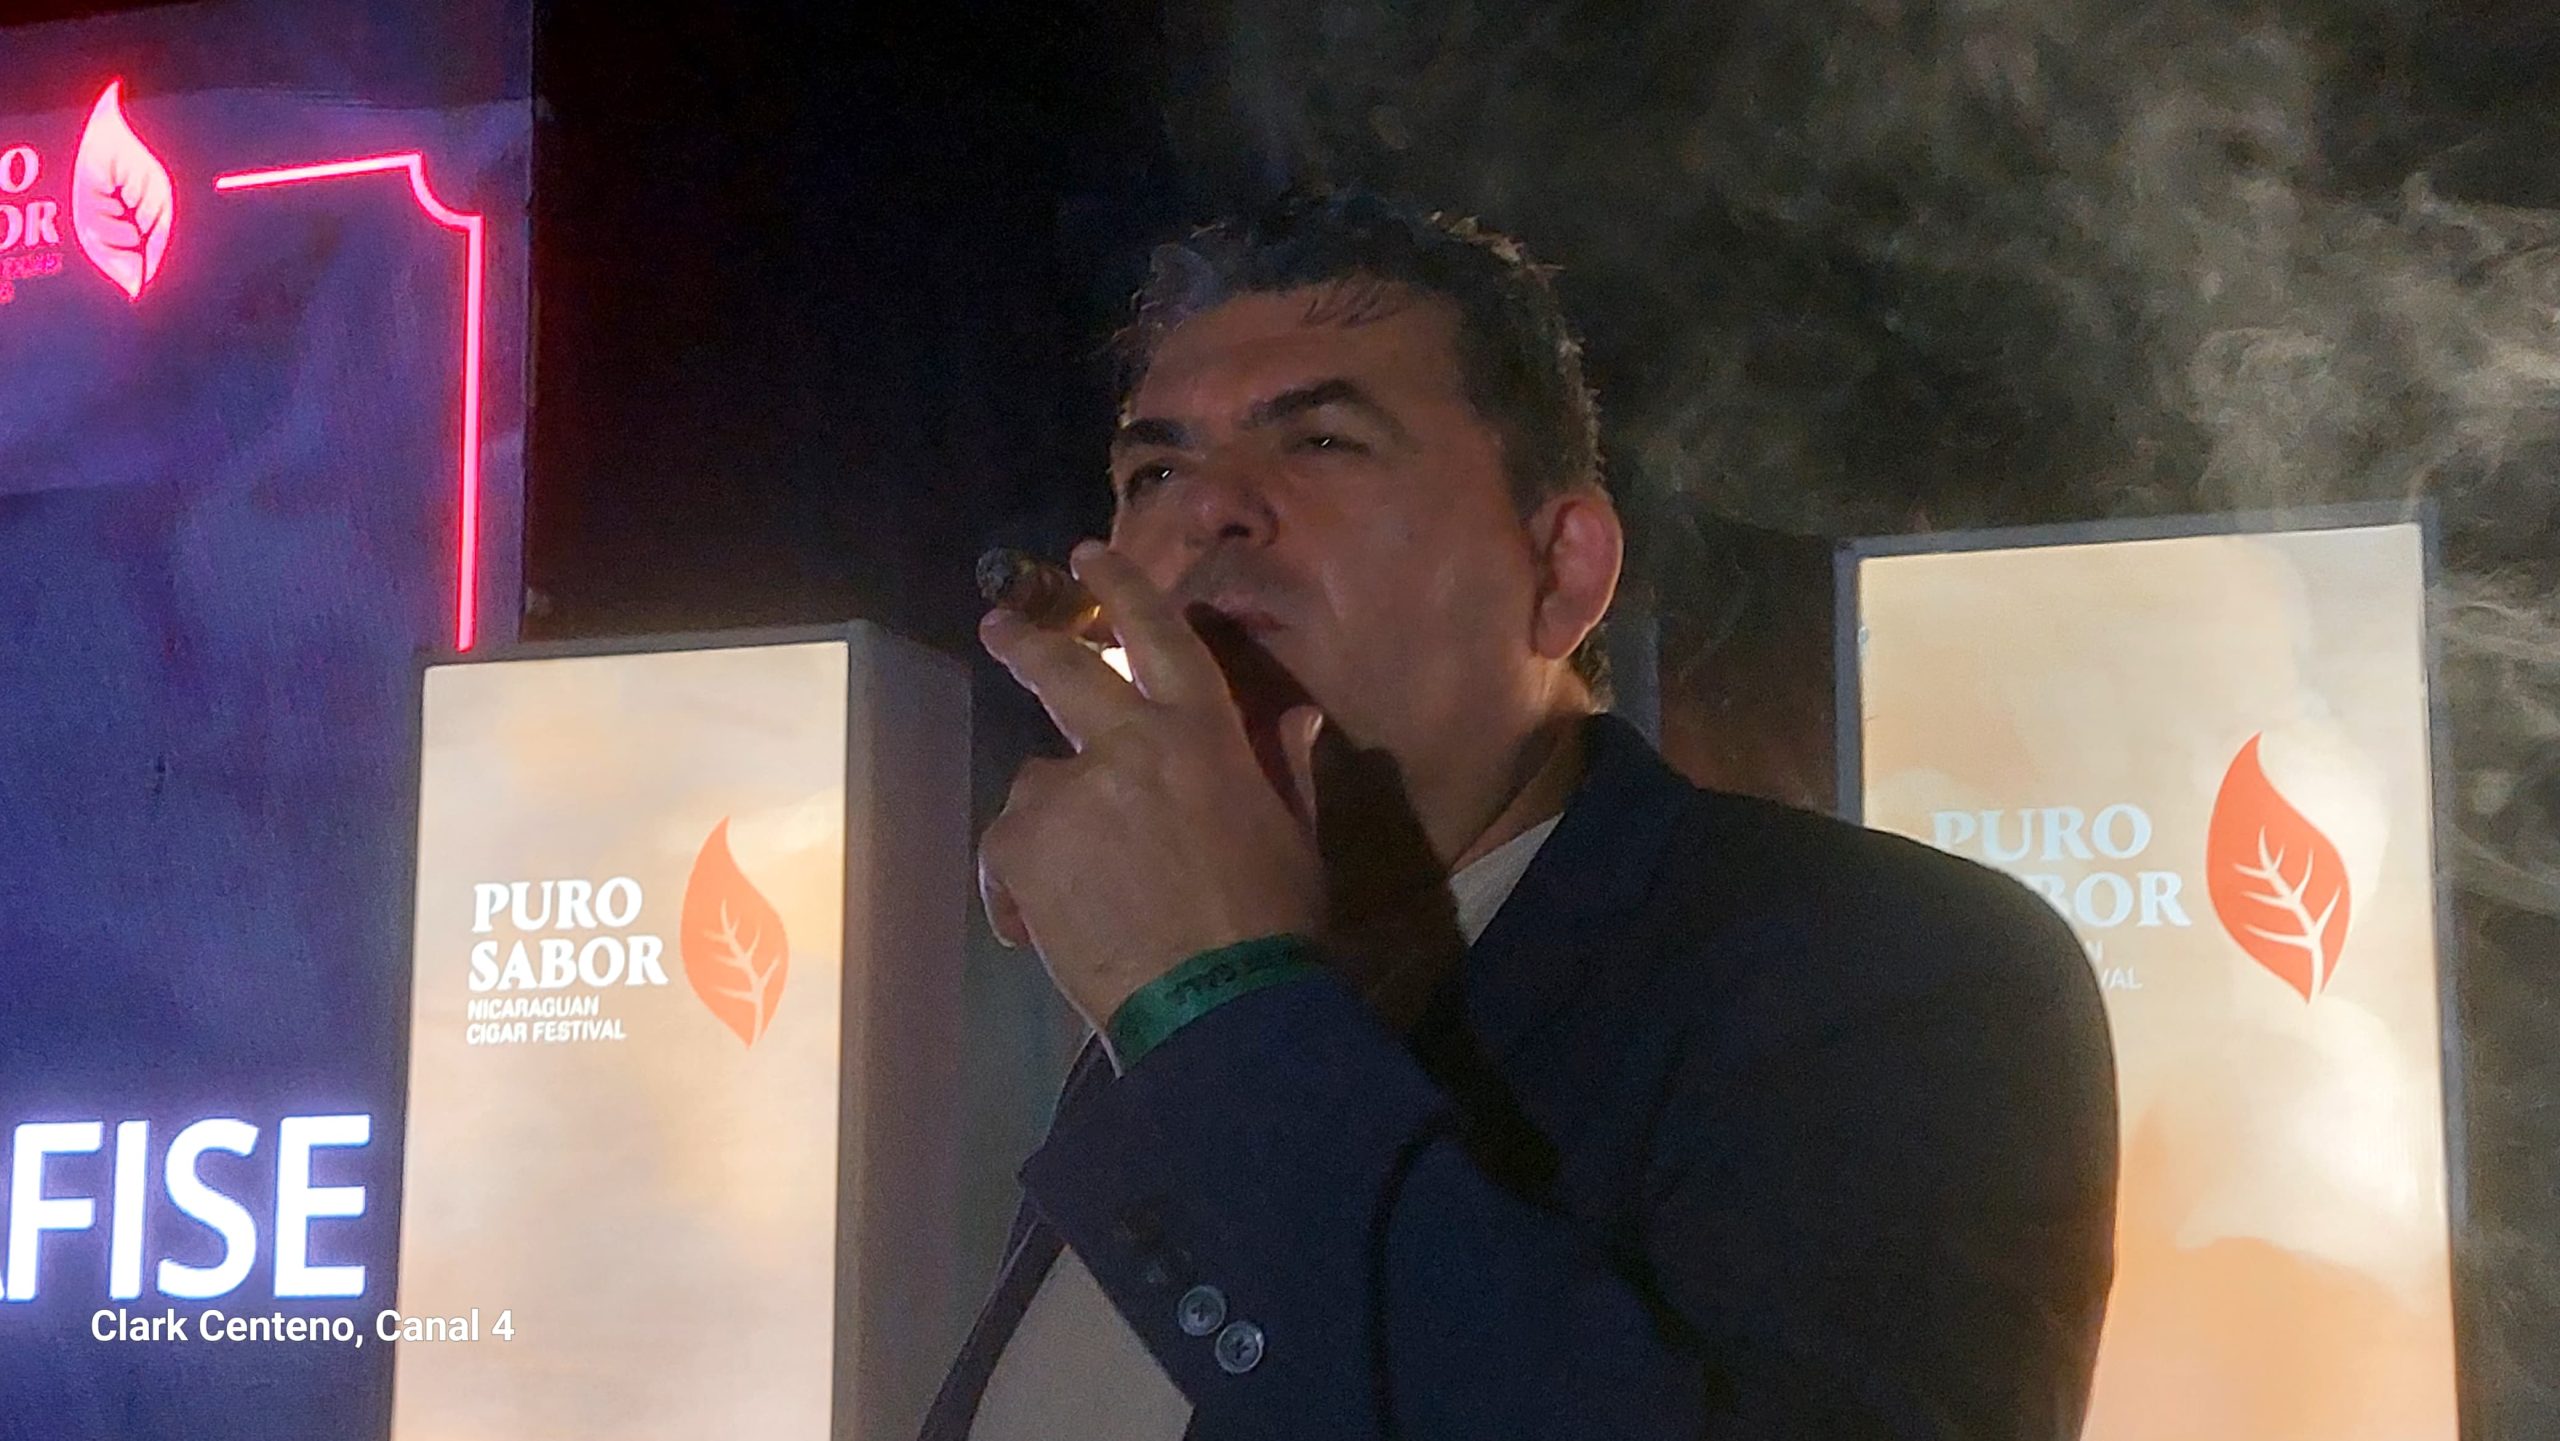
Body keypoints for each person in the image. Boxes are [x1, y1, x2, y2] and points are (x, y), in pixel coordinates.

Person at [923, 189, 2117, 1441]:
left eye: (1322, 441)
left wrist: (1211, 1007)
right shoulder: (1165, 1029)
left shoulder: (1881, 966)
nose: (1205, 510)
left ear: (1560, 572)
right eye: (1155, 468)